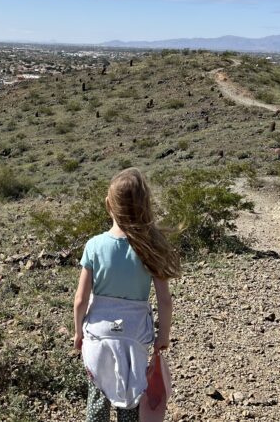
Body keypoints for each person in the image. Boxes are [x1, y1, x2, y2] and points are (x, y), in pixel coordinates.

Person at [73, 167, 180, 422]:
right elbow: (165, 300)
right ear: (145, 205)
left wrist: (78, 333)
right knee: (130, 399)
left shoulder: (94, 245)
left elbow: (80, 300)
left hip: (98, 337)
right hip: (135, 336)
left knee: (98, 397)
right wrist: (163, 335)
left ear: (108, 204)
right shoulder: (150, 246)